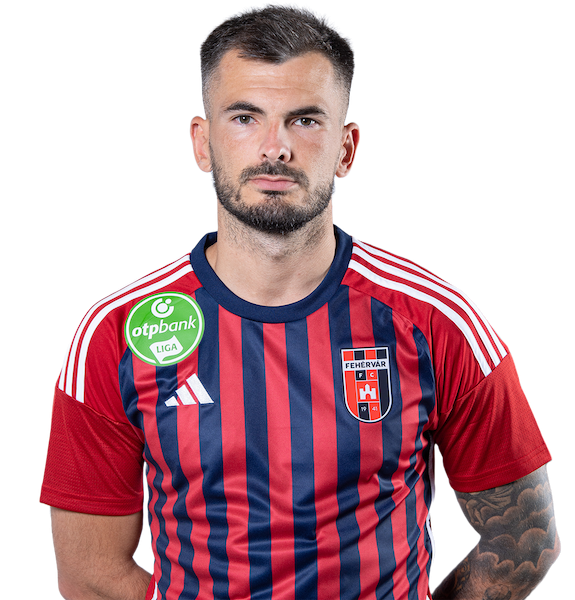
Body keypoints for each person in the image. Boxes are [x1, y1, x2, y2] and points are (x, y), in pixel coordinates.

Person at [39, 3, 560, 599]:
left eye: (305, 120)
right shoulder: (115, 333)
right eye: (245, 117)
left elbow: (524, 543)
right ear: (201, 143)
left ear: (347, 148)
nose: (275, 148)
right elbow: (91, 579)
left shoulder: (437, 321)